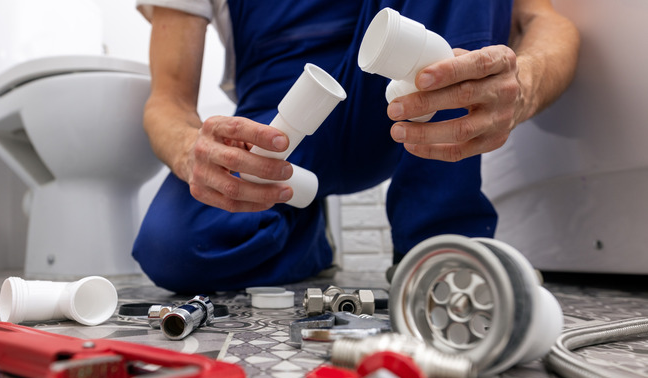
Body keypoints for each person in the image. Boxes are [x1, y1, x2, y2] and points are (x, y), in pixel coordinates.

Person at [132, 0, 580, 293]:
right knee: (175, 248)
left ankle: (441, 245)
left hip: (396, 98)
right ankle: (301, 233)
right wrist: (192, 150)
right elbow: (167, 101)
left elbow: (543, 20)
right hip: (276, 122)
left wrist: (525, 82)